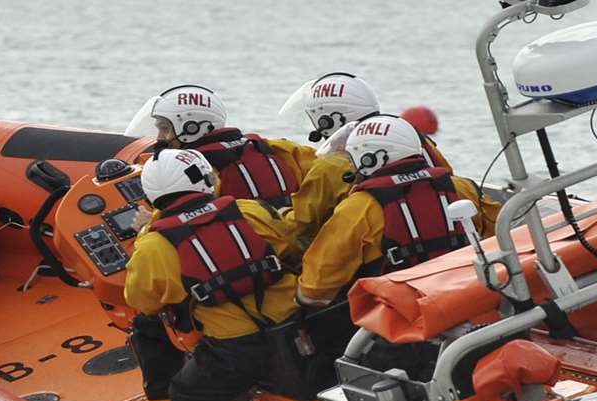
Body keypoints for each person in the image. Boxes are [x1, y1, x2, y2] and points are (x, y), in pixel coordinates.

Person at [123, 148, 301, 401]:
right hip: (298, 325)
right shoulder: (249, 211)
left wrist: (142, 233)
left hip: (239, 351)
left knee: (188, 393)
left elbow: (142, 301)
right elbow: (287, 241)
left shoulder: (154, 246)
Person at [297, 115, 496, 307]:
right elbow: (500, 234)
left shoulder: (360, 207)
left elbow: (315, 288)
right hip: (475, 298)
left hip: (405, 319)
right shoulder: (462, 188)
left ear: (369, 158)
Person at [278, 72, 455, 242]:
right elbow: (449, 176)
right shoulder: (415, 139)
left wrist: (270, 214)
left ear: (329, 120)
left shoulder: (331, 166)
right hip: (444, 234)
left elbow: (301, 225)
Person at [126, 84, 313, 207]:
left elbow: (180, 214)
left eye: (165, 129)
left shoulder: (197, 169)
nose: (160, 137)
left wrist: (145, 224)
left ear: (192, 127)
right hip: (283, 233)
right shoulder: (268, 147)